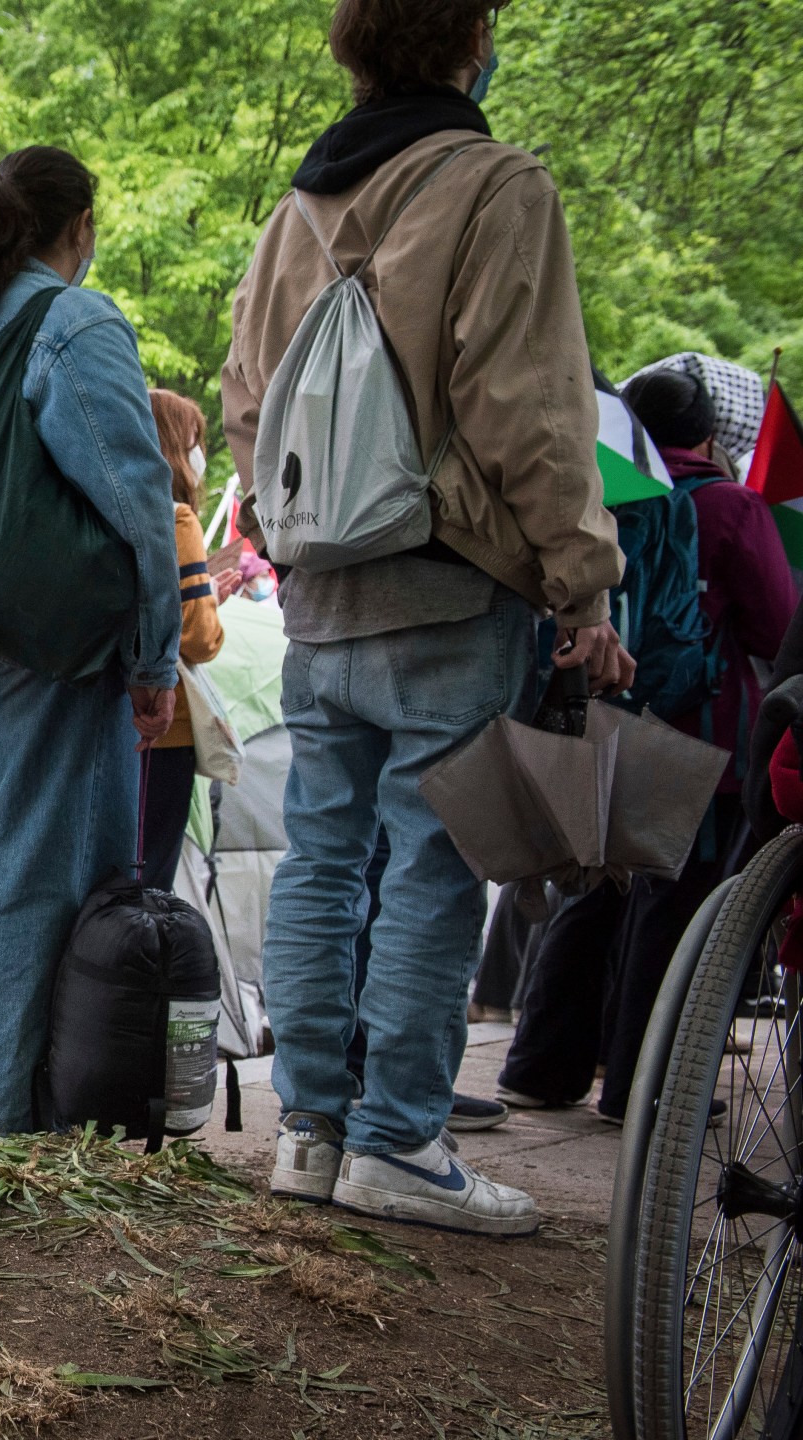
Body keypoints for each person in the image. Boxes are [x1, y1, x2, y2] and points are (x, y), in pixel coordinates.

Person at [221, 0, 629, 1234]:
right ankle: (399, 1142)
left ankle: (309, 1132)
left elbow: (248, 405)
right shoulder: (497, 186)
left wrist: (298, 543)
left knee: (321, 860)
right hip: (450, 580)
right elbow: (527, 407)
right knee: (434, 869)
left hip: (321, 593)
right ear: (470, 42)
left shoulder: (291, 215)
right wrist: (581, 576)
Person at [0, 146, 182, 1133]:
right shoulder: (74, 321)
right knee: (24, 880)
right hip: (49, 646)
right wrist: (156, 657)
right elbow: (137, 504)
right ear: (75, 229)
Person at [499, 367, 795, 1118]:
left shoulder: (593, 486)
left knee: (590, 889)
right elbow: (775, 623)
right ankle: (647, 1085)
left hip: (593, 709)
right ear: (705, 436)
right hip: (694, 726)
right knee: (674, 904)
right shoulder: (728, 505)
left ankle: (541, 1065)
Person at [141, 389, 225, 878]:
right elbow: (198, 636)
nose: (200, 455)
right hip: (166, 732)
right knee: (151, 878)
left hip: (110, 722)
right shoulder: (178, 517)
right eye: (194, 441)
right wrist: (211, 607)